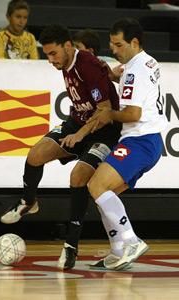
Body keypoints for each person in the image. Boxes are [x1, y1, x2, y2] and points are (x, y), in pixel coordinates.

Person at [0, 24, 122, 270]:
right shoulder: (66, 63)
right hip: (76, 122)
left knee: (78, 177)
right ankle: (28, 201)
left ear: (68, 46)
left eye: (53, 53)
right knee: (35, 154)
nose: (50, 60)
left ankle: (71, 245)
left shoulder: (87, 64)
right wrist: (75, 129)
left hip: (104, 132)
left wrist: (79, 134)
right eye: (46, 54)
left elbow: (105, 110)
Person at [86, 17, 168, 271]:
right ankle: (118, 251)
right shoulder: (147, 61)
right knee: (103, 194)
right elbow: (137, 85)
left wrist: (108, 114)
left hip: (139, 140)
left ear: (134, 42)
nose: (113, 49)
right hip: (150, 141)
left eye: (118, 45)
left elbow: (132, 114)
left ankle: (131, 241)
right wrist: (113, 76)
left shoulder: (134, 70)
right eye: (111, 44)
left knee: (97, 185)